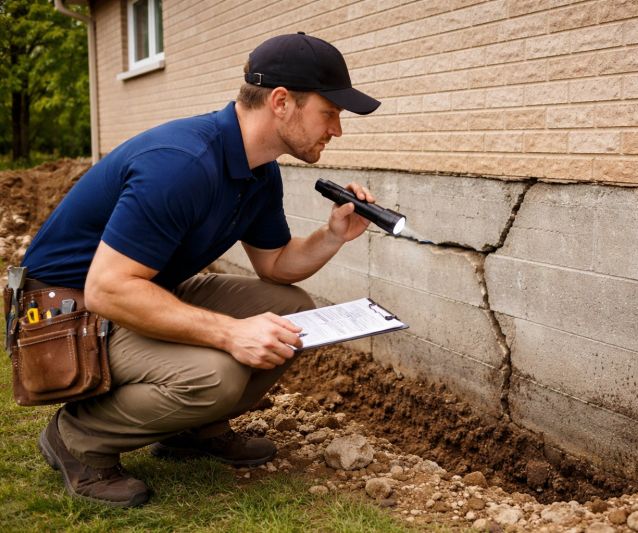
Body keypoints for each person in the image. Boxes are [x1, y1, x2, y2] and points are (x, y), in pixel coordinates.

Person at [21, 32, 381, 508]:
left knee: (291, 313)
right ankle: (78, 438)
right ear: (280, 102)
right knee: (215, 375)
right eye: (330, 112)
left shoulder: (258, 168)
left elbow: (275, 266)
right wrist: (230, 333)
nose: (337, 129)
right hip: (65, 313)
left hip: (136, 290)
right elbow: (108, 290)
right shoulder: (181, 164)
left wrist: (333, 234)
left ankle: (194, 429)